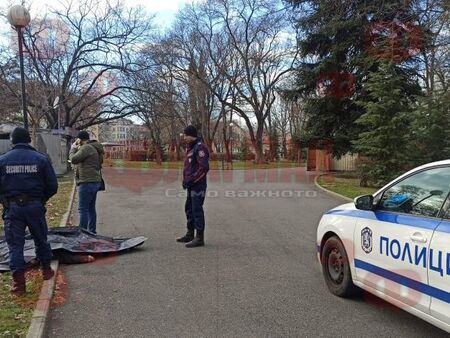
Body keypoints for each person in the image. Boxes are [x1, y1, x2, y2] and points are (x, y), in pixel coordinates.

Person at [0, 127, 58, 295]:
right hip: (35, 206)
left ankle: (19, 285)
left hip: (13, 208)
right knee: (41, 239)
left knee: (15, 245)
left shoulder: (3, 160)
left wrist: (5, 201)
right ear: (28, 140)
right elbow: (53, 186)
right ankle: (46, 270)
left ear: (12, 141)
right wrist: (41, 199)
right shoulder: (41, 159)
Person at [177, 125, 210, 248]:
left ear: (191, 135)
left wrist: (192, 180)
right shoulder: (190, 148)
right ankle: (190, 234)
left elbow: (204, 168)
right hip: (191, 185)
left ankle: (199, 238)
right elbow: (189, 168)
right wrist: (186, 181)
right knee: (189, 208)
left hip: (198, 185)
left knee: (197, 209)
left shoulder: (199, 148)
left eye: (186, 135)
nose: (185, 137)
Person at [69, 131, 104, 234]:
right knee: (90, 208)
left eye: (77, 139)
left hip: (87, 182)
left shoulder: (86, 148)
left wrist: (73, 149)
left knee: (83, 209)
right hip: (94, 181)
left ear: (80, 139)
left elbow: (74, 159)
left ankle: (83, 233)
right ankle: (92, 232)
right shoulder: (94, 147)